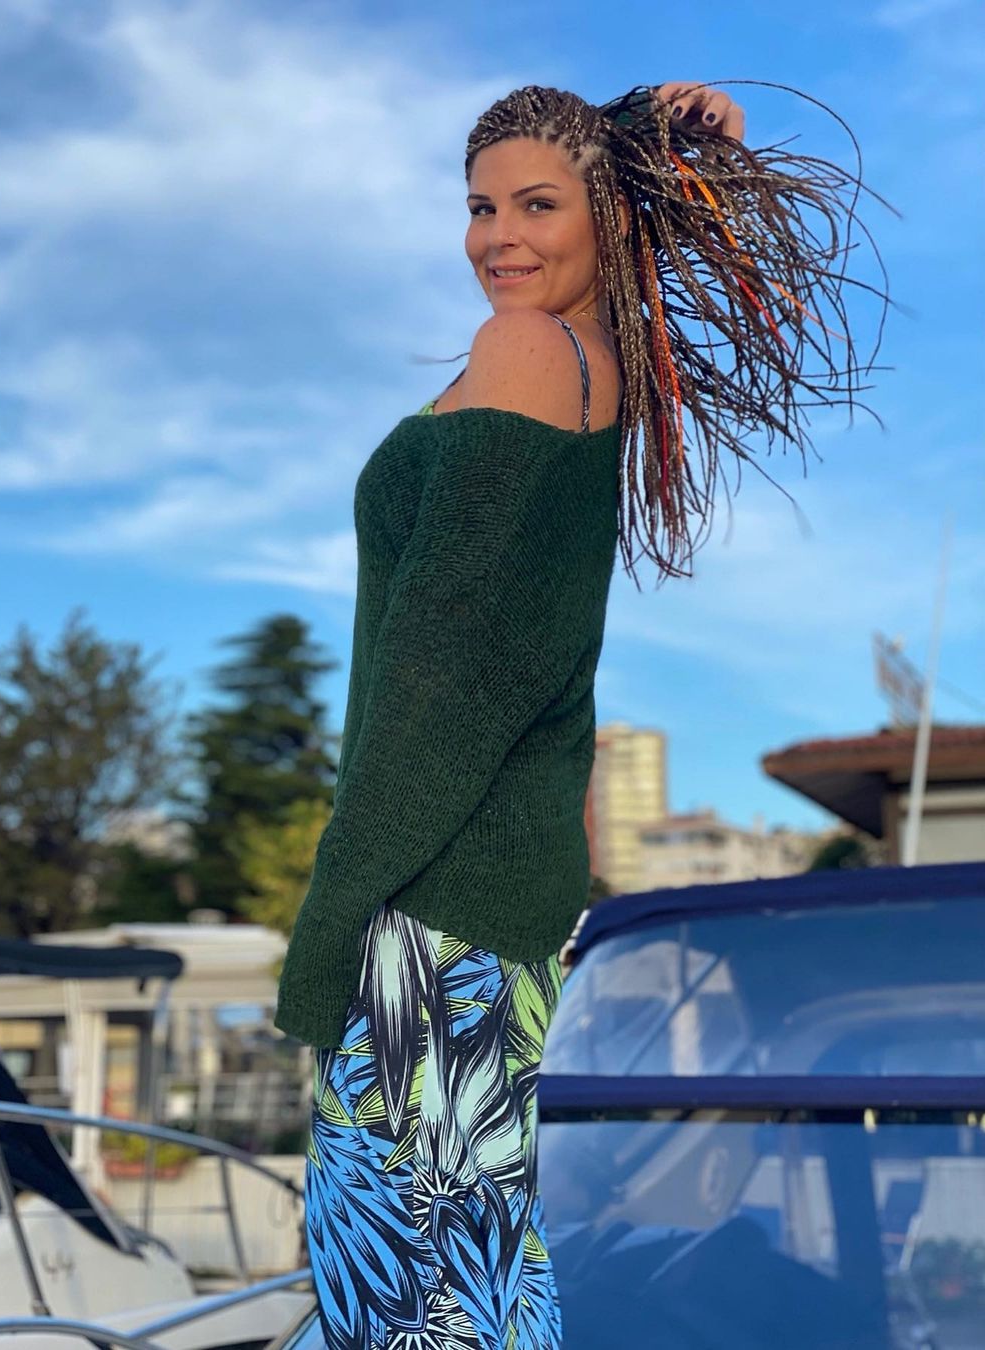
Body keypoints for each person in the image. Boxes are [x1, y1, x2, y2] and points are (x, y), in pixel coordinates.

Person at [276, 79, 883, 1350]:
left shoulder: (525, 353)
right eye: (479, 206)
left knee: (406, 1300)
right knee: (477, 1284)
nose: (497, 235)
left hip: (429, 905)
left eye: (537, 205)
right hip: (496, 909)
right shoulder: (592, 362)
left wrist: (331, 923)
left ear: (607, 215)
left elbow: (441, 684)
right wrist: (653, 134)